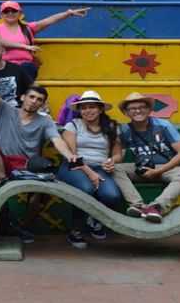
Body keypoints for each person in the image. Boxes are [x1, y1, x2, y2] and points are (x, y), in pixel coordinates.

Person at [0, 47, 77, 243]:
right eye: (32, 97)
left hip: (28, 166)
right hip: (3, 163)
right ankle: (2, 181)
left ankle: (19, 227)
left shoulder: (45, 121)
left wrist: (69, 155)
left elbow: (57, 140)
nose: (34, 101)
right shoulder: (6, 110)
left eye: (39, 100)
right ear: (23, 97)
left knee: (39, 197)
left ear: (43, 103)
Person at [108, 92, 180, 224]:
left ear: (148, 109)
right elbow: (119, 156)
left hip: (168, 167)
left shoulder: (163, 125)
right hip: (142, 169)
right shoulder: (124, 130)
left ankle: (157, 207)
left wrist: (158, 171)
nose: (138, 111)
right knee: (115, 169)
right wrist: (111, 162)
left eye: (142, 107)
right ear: (126, 113)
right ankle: (138, 206)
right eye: (132, 109)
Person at [56, 91, 124, 249]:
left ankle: (95, 219)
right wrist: (91, 173)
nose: (88, 111)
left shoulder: (113, 126)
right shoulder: (72, 125)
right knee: (85, 189)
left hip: (100, 167)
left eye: (92, 107)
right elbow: (72, 156)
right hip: (73, 167)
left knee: (112, 195)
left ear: (101, 109)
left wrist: (111, 162)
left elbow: (117, 153)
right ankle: (75, 230)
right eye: (83, 108)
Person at [0, 1, 90, 79]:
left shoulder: (27, 28)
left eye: (13, 10)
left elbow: (49, 20)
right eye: (6, 11)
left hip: (26, 67)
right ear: (1, 14)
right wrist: (24, 46)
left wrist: (69, 13)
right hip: (5, 66)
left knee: (28, 68)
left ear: (19, 13)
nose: (10, 13)